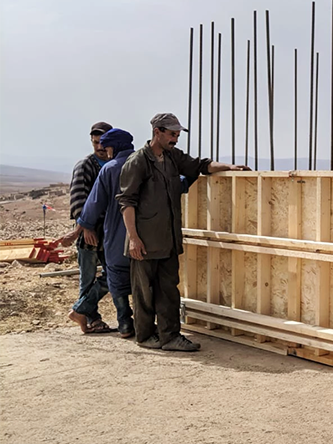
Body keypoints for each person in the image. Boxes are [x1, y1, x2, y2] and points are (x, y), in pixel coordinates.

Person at [117, 114, 248, 352]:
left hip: (168, 240)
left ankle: (170, 337)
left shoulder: (171, 157)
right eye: (172, 134)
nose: (175, 139)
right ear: (157, 132)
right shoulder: (137, 162)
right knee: (143, 292)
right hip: (144, 242)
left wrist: (228, 167)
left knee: (168, 291)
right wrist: (134, 239)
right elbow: (127, 202)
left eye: (177, 135)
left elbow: (200, 165)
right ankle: (145, 336)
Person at [76, 128, 137, 338]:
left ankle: (125, 324)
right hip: (146, 232)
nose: (104, 150)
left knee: (116, 276)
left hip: (116, 232)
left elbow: (93, 203)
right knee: (143, 277)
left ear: (115, 146)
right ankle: (145, 323)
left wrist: (85, 225)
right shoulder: (147, 163)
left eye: (107, 146)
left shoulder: (110, 168)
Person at [57, 121, 115, 334]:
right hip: (88, 231)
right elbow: (79, 199)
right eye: (95, 143)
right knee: (88, 278)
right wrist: (86, 227)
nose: (99, 147)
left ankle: (81, 311)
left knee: (113, 275)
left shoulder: (114, 163)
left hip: (109, 232)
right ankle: (91, 319)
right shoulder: (85, 165)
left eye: (103, 142)